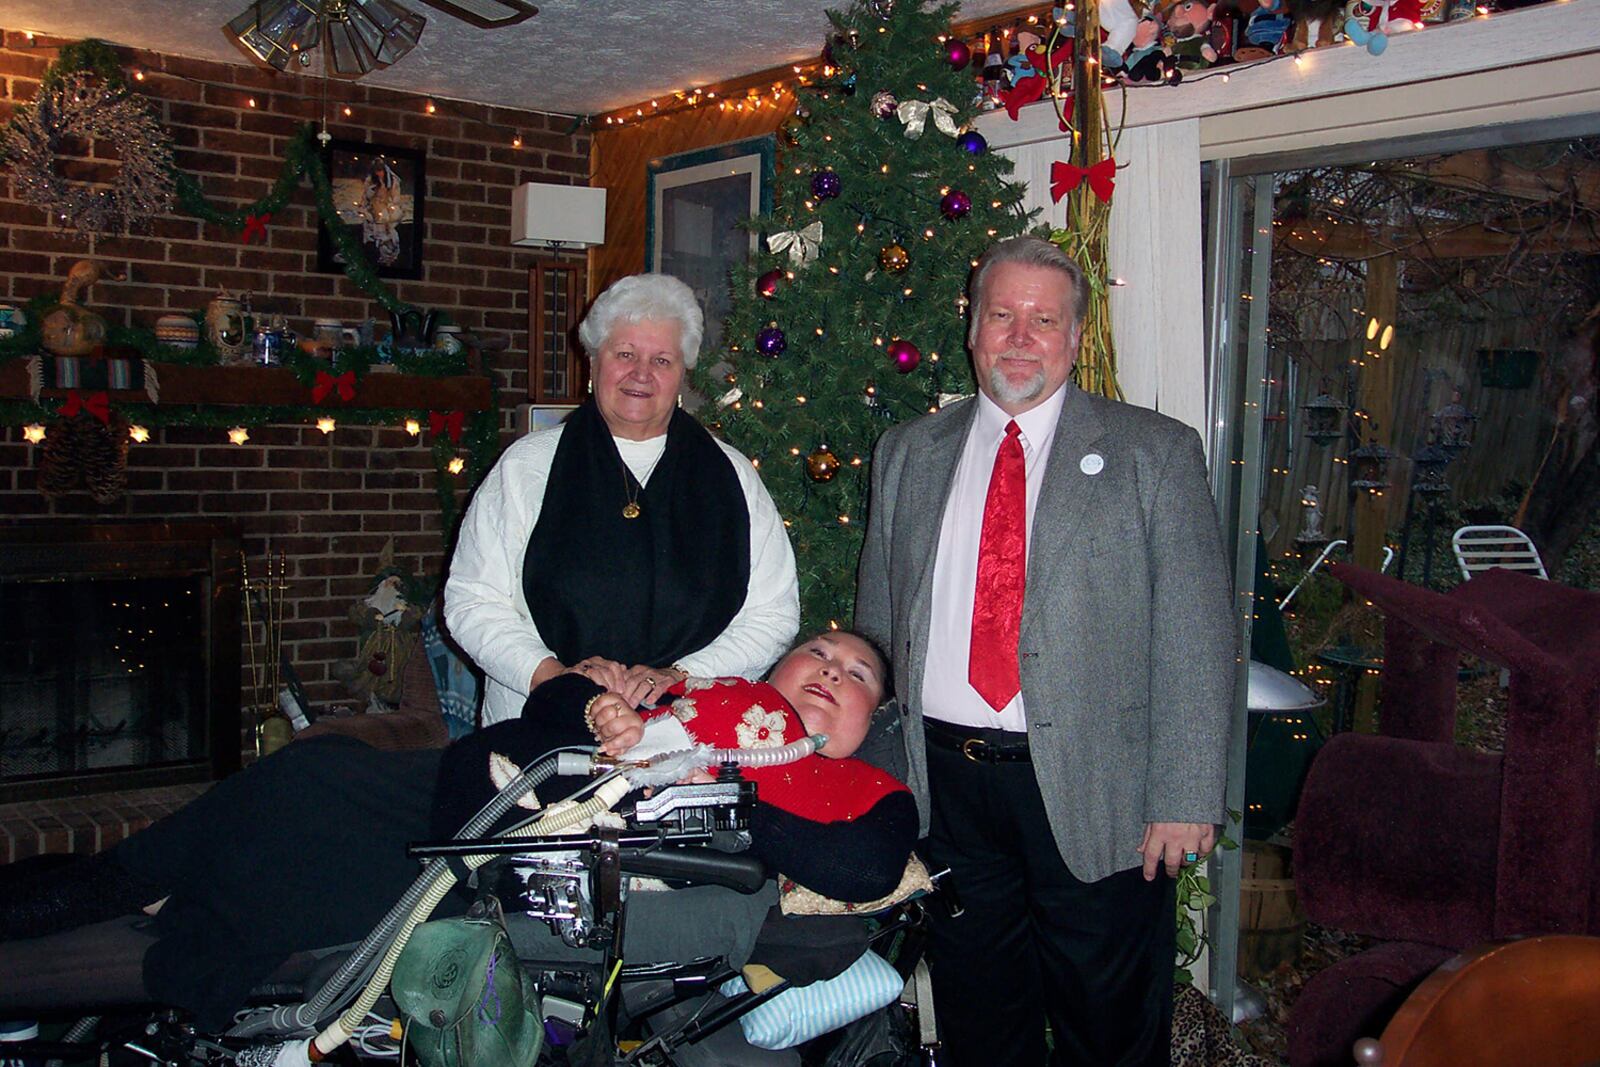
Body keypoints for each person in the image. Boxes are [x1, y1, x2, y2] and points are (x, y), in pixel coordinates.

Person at [854, 236, 1234, 1065]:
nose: (1020, 336)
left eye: (1043, 319)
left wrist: (1186, 792)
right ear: (972, 329)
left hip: (1101, 792)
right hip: (948, 793)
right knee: (980, 1021)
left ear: (1074, 336)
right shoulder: (908, 453)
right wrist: (881, 775)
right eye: (1002, 315)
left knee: (1112, 1026)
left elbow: (1198, 637)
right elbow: (879, 624)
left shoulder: (1154, 453)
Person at [446, 272, 799, 724]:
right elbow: (472, 599)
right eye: (625, 354)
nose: (641, 374)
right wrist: (555, 678)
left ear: (683, 372)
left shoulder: (733, 476)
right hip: (537, 722)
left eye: (662, 360)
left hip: (684, 735)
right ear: (593, 361)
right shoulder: (525, 467)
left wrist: (680, 675)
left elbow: (773, 613)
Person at [436, 629, 917, 903]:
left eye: (857, 674)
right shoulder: (699, 687)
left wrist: (724, 806)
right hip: (513, 790)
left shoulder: (869, 787)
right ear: (775, 669)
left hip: (622, 864)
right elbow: (551, 698)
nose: (831, 670)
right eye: (817, 652)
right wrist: (598, 708)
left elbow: (868, 871)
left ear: (874, 717)